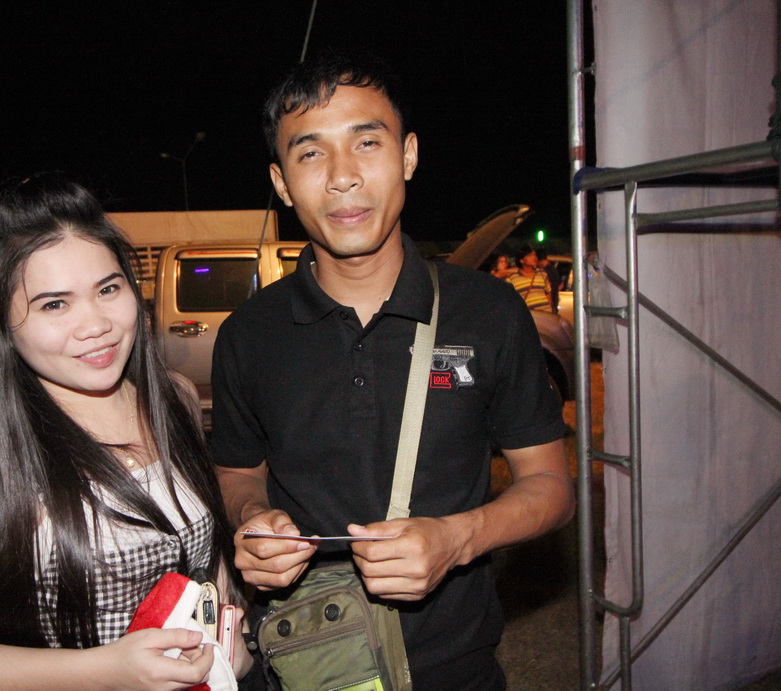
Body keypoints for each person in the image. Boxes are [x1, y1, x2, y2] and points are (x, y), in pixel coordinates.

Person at [211, 52, 575, 689]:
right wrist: (252, 520)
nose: (343, 177)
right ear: (281, 182)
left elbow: (551, 486)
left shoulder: (488, 312)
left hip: (457, 668)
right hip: (308, 664)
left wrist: (459, 538)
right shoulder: (249, 333)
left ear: (407, 155)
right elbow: (238, 472)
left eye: (367, 142)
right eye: (311, 153)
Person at [0, 173, 252, 689]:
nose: (96, 324)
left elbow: (206, 565)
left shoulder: (174, 399)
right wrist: (106, 671)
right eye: (54, 304)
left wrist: (228, 644)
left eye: (108, 289)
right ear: (2, 323)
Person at [505, 245, 553, 312]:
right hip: (530, 314)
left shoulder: (542, 273)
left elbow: (548, 293)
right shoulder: (512, 278)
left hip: (546, 312)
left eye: (535, 255)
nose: (534, 258)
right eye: (530, 255)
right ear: (522, 260)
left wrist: (549, 309)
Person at [536, 248, 562, 314]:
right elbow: (560, 285)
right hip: (553, 302)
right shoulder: (552, 269)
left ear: (540, 260)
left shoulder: (545, 272)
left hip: (549, 304)